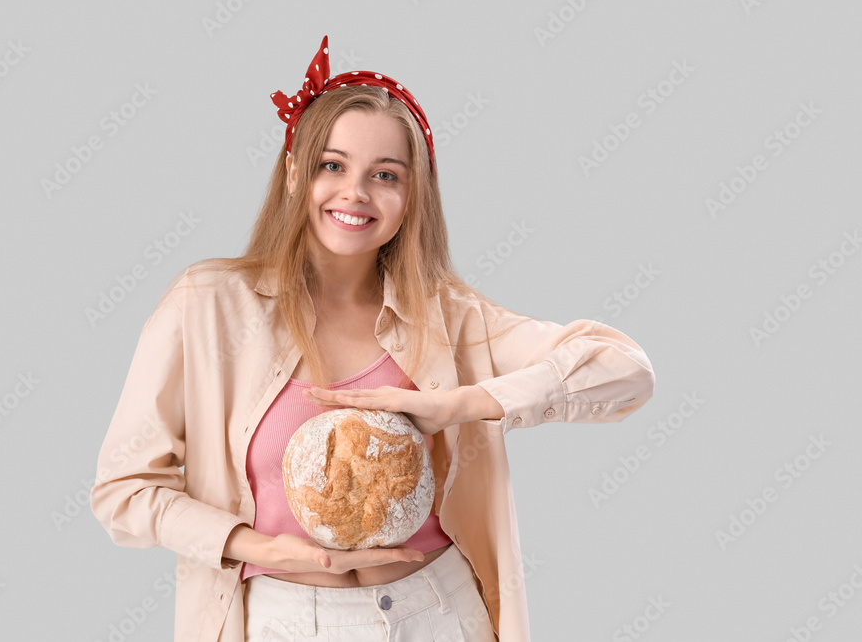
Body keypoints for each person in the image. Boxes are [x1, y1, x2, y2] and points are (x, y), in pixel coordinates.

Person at [90, 35, 656, 642]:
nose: (355, 193)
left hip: (440, 611)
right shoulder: (207, 306)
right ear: (293, 175)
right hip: (283, 619)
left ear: (412, 198)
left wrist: (458, 405)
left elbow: (625, 371)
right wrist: (261, 548)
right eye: (332, 165)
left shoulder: (448, 315)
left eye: (385, 175)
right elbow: (123, 492)